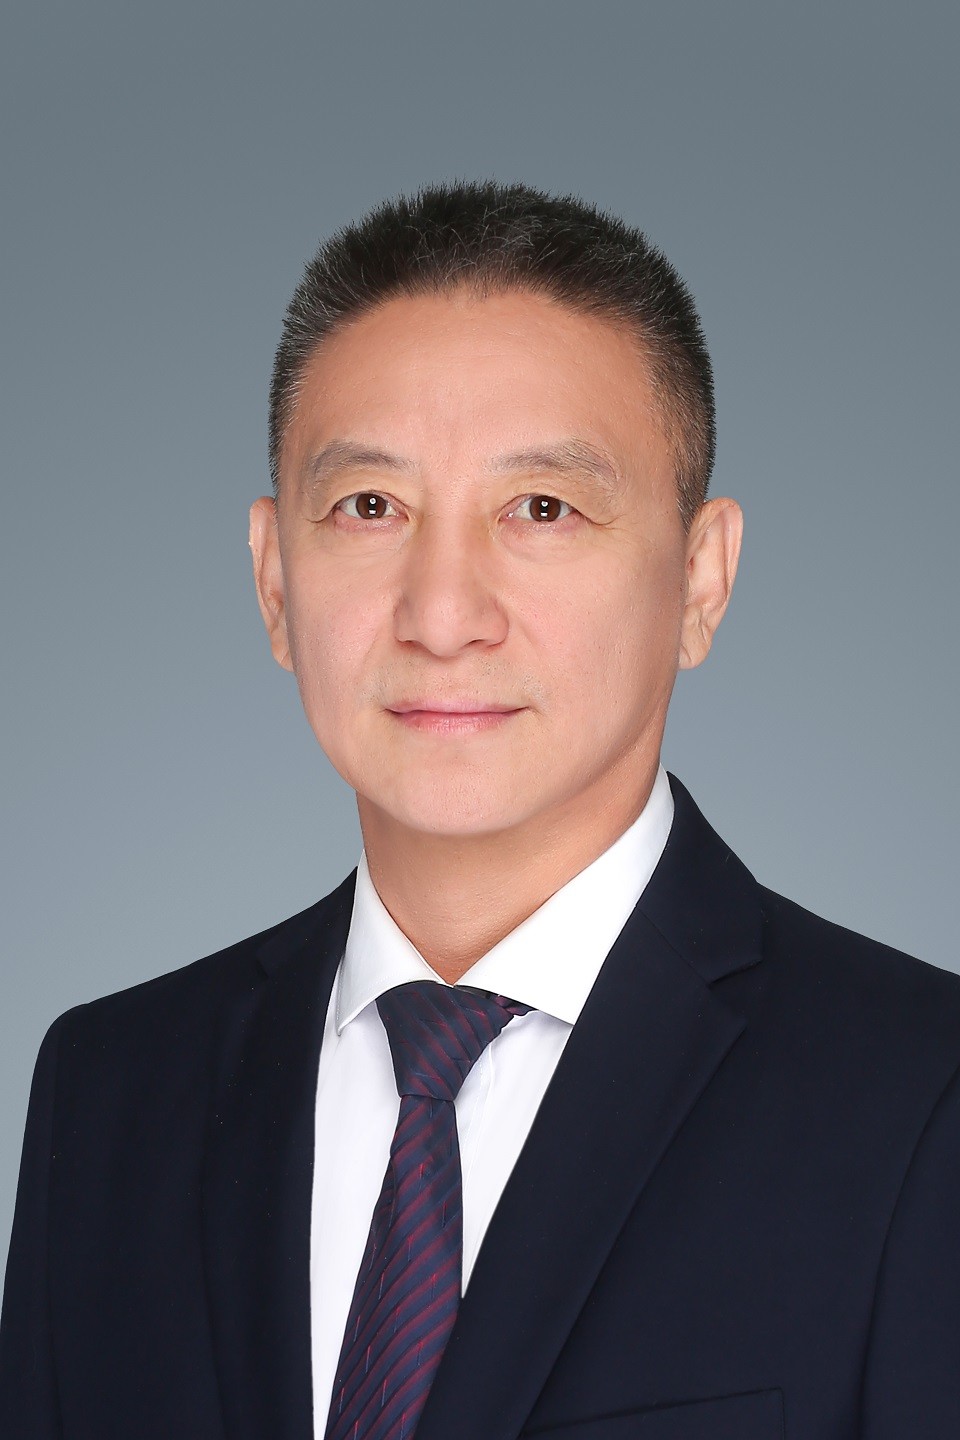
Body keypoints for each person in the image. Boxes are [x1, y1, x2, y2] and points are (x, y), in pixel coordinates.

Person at [2, 180, 959, 1440]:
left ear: (701, 579)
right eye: (370, 508)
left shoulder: (921, 1096)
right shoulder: (113, 1092)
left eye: (542, 509)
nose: (443, 613)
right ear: (274, 580)